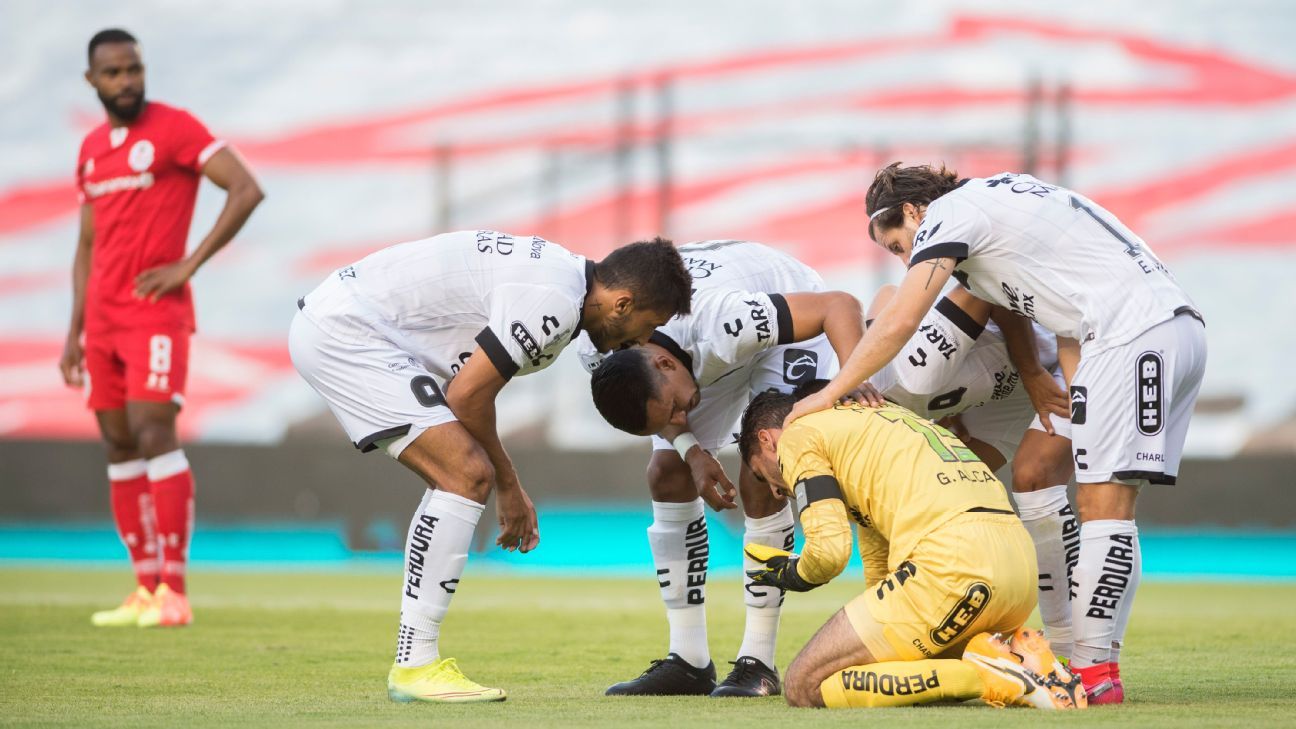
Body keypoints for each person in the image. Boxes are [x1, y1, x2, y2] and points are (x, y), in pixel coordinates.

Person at [789, 163, 1207, 703]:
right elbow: (1053, 306)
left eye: (897, 243)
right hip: (1139, 333)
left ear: (916, 212)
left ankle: (1095, 673)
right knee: (1034, 471)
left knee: (1107, 501)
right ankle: (1061, 653)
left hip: (1135, 336)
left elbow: (896, 320)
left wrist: (830, 392)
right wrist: (1063, 387)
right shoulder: (998, 205)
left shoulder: (950, 215)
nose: (903, 257)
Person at [289, 231, 691, 703]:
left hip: (346, 322)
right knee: (467, 474)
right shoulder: (555, 301)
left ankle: (415, 661)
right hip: (348, 332)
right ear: (622, 303)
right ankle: (415, 664)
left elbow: (468, 387)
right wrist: (509, 485)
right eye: (649, 324)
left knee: (462, 474)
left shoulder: (564, 287)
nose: (642, 341)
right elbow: (467, 395)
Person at [582, 239, 867, 697]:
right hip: (701, 358)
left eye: (675, 407)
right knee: (666, 472)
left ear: (663, 361)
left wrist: (857, 381)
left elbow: (840, 304)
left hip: (787, 327)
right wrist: (691, 449)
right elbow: (669, 418)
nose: (680, 417)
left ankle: (759, 661)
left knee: (763, 467)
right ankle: (689, 661)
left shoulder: (723, 322)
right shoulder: (601, 348)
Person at [61, 28, 264, 629]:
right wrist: (73, 330)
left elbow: (246, 188)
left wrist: (190, 263)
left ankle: (175, 590)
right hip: (100, 320)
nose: (126, 81)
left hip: (154, 311)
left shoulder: (175, 128)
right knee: (119, 443)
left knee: (154, 431)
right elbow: (87, 241)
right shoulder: (93, 148)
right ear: (92, 80)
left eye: (134, 70)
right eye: (114, 73)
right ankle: (145, 588)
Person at [737, 391, 1085, 710]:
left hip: (952, 567)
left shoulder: (798, 434)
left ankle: (993, 677)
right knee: (911, 677)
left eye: (761, 474)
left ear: (767, 440)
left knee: (804, 686)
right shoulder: (879, 419)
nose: (775, 489)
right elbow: (878, 560)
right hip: (1018, 573)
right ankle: (1023, 659)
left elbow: (829, 552)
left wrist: (794, 573)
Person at [865, 282, 1082, 662]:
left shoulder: (890, 372)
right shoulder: (883, 429)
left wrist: (1031, 373)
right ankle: (972, 635)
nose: (906, 259)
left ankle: (1072, 647)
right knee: (958, 504)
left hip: (1059, 358)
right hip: (1004, 390)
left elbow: (990, 289)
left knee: (1041, 481)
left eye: (899, 245)